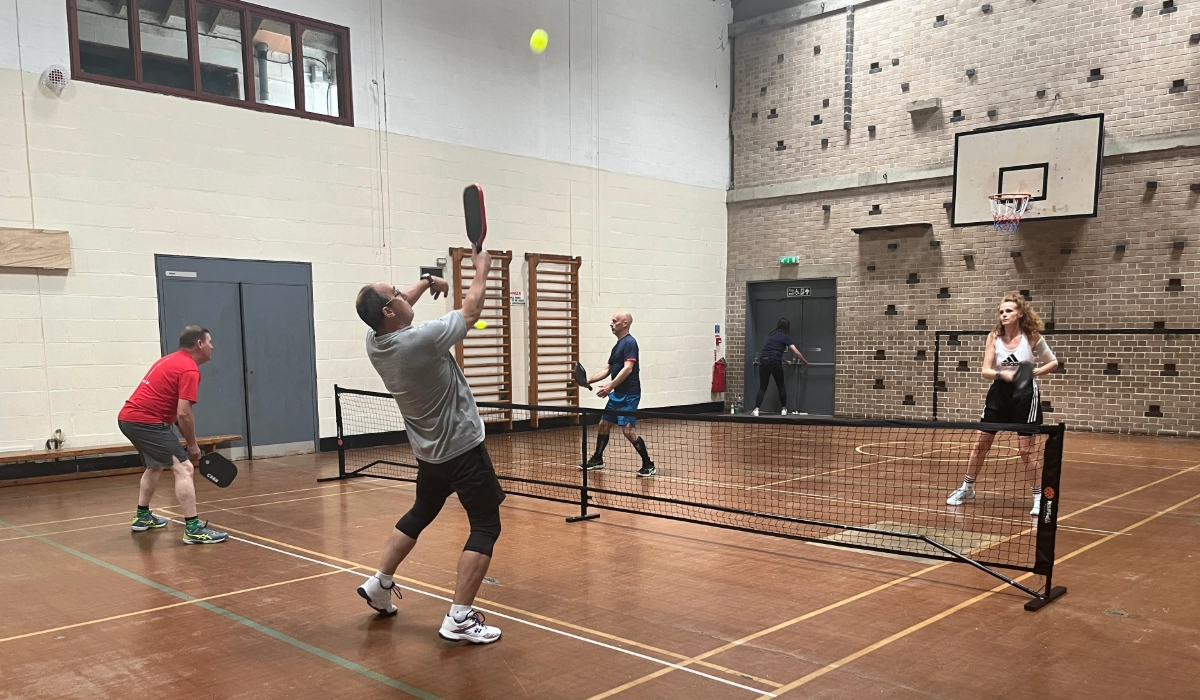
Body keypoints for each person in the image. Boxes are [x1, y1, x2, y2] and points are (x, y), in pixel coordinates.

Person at [353, 250, 504, 645]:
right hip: (462, 449)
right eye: (398, 293)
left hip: (429, 453)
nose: (406, 294)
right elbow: (470, 311)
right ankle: (459, 617)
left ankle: (379, 583)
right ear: (389, 310)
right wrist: (482, 268)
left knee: (421, 511)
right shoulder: (420, 341)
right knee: (486, 525)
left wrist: (425, 282)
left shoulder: (375, 341)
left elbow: (398, 309)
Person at [946, 293, 1059, 516]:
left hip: (1024, 394)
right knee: (980, 444)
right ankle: (967, 488)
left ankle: (1038, 497)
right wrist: (1003, 374)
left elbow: (1053, 361)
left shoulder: (1032, 336)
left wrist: (1034, 372)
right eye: (1001, 311)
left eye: (1008, 311)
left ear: (1019, 313)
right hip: (999, 394)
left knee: (1026, 450)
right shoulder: (994, 337)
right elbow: (985, 370)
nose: (1004, 314)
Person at [118, 326, 227, 544]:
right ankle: (194, 529)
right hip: (145, 421)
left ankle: (142, 517)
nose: (212, 346)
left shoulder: (169, 360)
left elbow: (175, 411)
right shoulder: (189, 369)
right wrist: (193, 445)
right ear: (199, 344)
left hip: (129, 419)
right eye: (209, 341)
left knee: (155, 465)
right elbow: (184, 413)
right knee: (184, 467)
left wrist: (187, 439)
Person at [582, 311, 654, 477]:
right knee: (604, 425)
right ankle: (597, 459)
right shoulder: (617, 345)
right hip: (617, 394)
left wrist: (610, 386)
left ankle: (648, 464)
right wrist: (589, 380)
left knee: (628, 431)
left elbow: (628, 368)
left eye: (614, 321)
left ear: (625, 324)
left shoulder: (630, 343)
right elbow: (608, 369)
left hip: (629, 395)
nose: (611, 324)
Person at [751, 318, 808, 416]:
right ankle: (784, 409)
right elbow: (796, 352)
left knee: (762, 387)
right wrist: (804, 361)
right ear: (787, 326)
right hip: (774, 363)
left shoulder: (771, 335)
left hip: (763, 361)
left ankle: (756, 410)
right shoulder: (786, 336)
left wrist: (785, 361)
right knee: (781, 386)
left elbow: (772, 351)